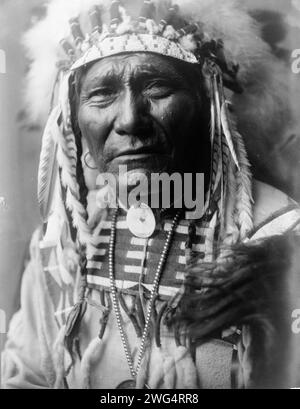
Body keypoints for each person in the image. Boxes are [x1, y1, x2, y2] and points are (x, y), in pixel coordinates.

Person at [2, 0, 300, 389]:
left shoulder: (277, 233)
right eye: (102, 94)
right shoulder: (64, 248)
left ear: (209, 107)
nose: (129, 120)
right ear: (76, 124)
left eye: (157, 87)